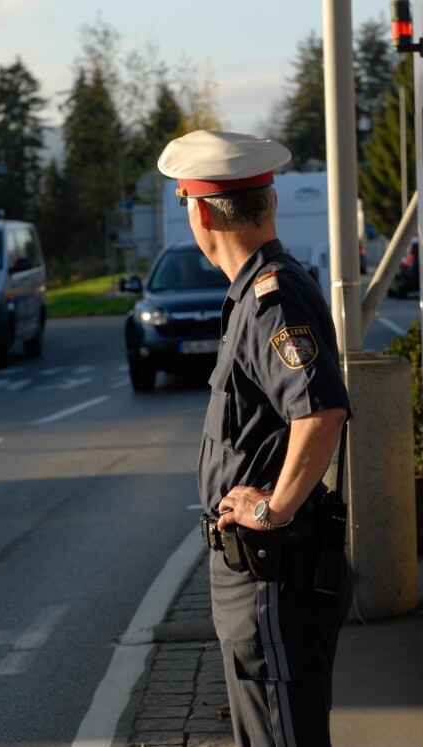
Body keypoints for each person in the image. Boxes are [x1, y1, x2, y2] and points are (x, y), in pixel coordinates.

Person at [157, 130, 353, 747]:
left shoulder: (270, 298)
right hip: (266, 570)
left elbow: (320, 412)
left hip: (273, 572)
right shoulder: (258, 290)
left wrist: (273, 508)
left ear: (201, 210)